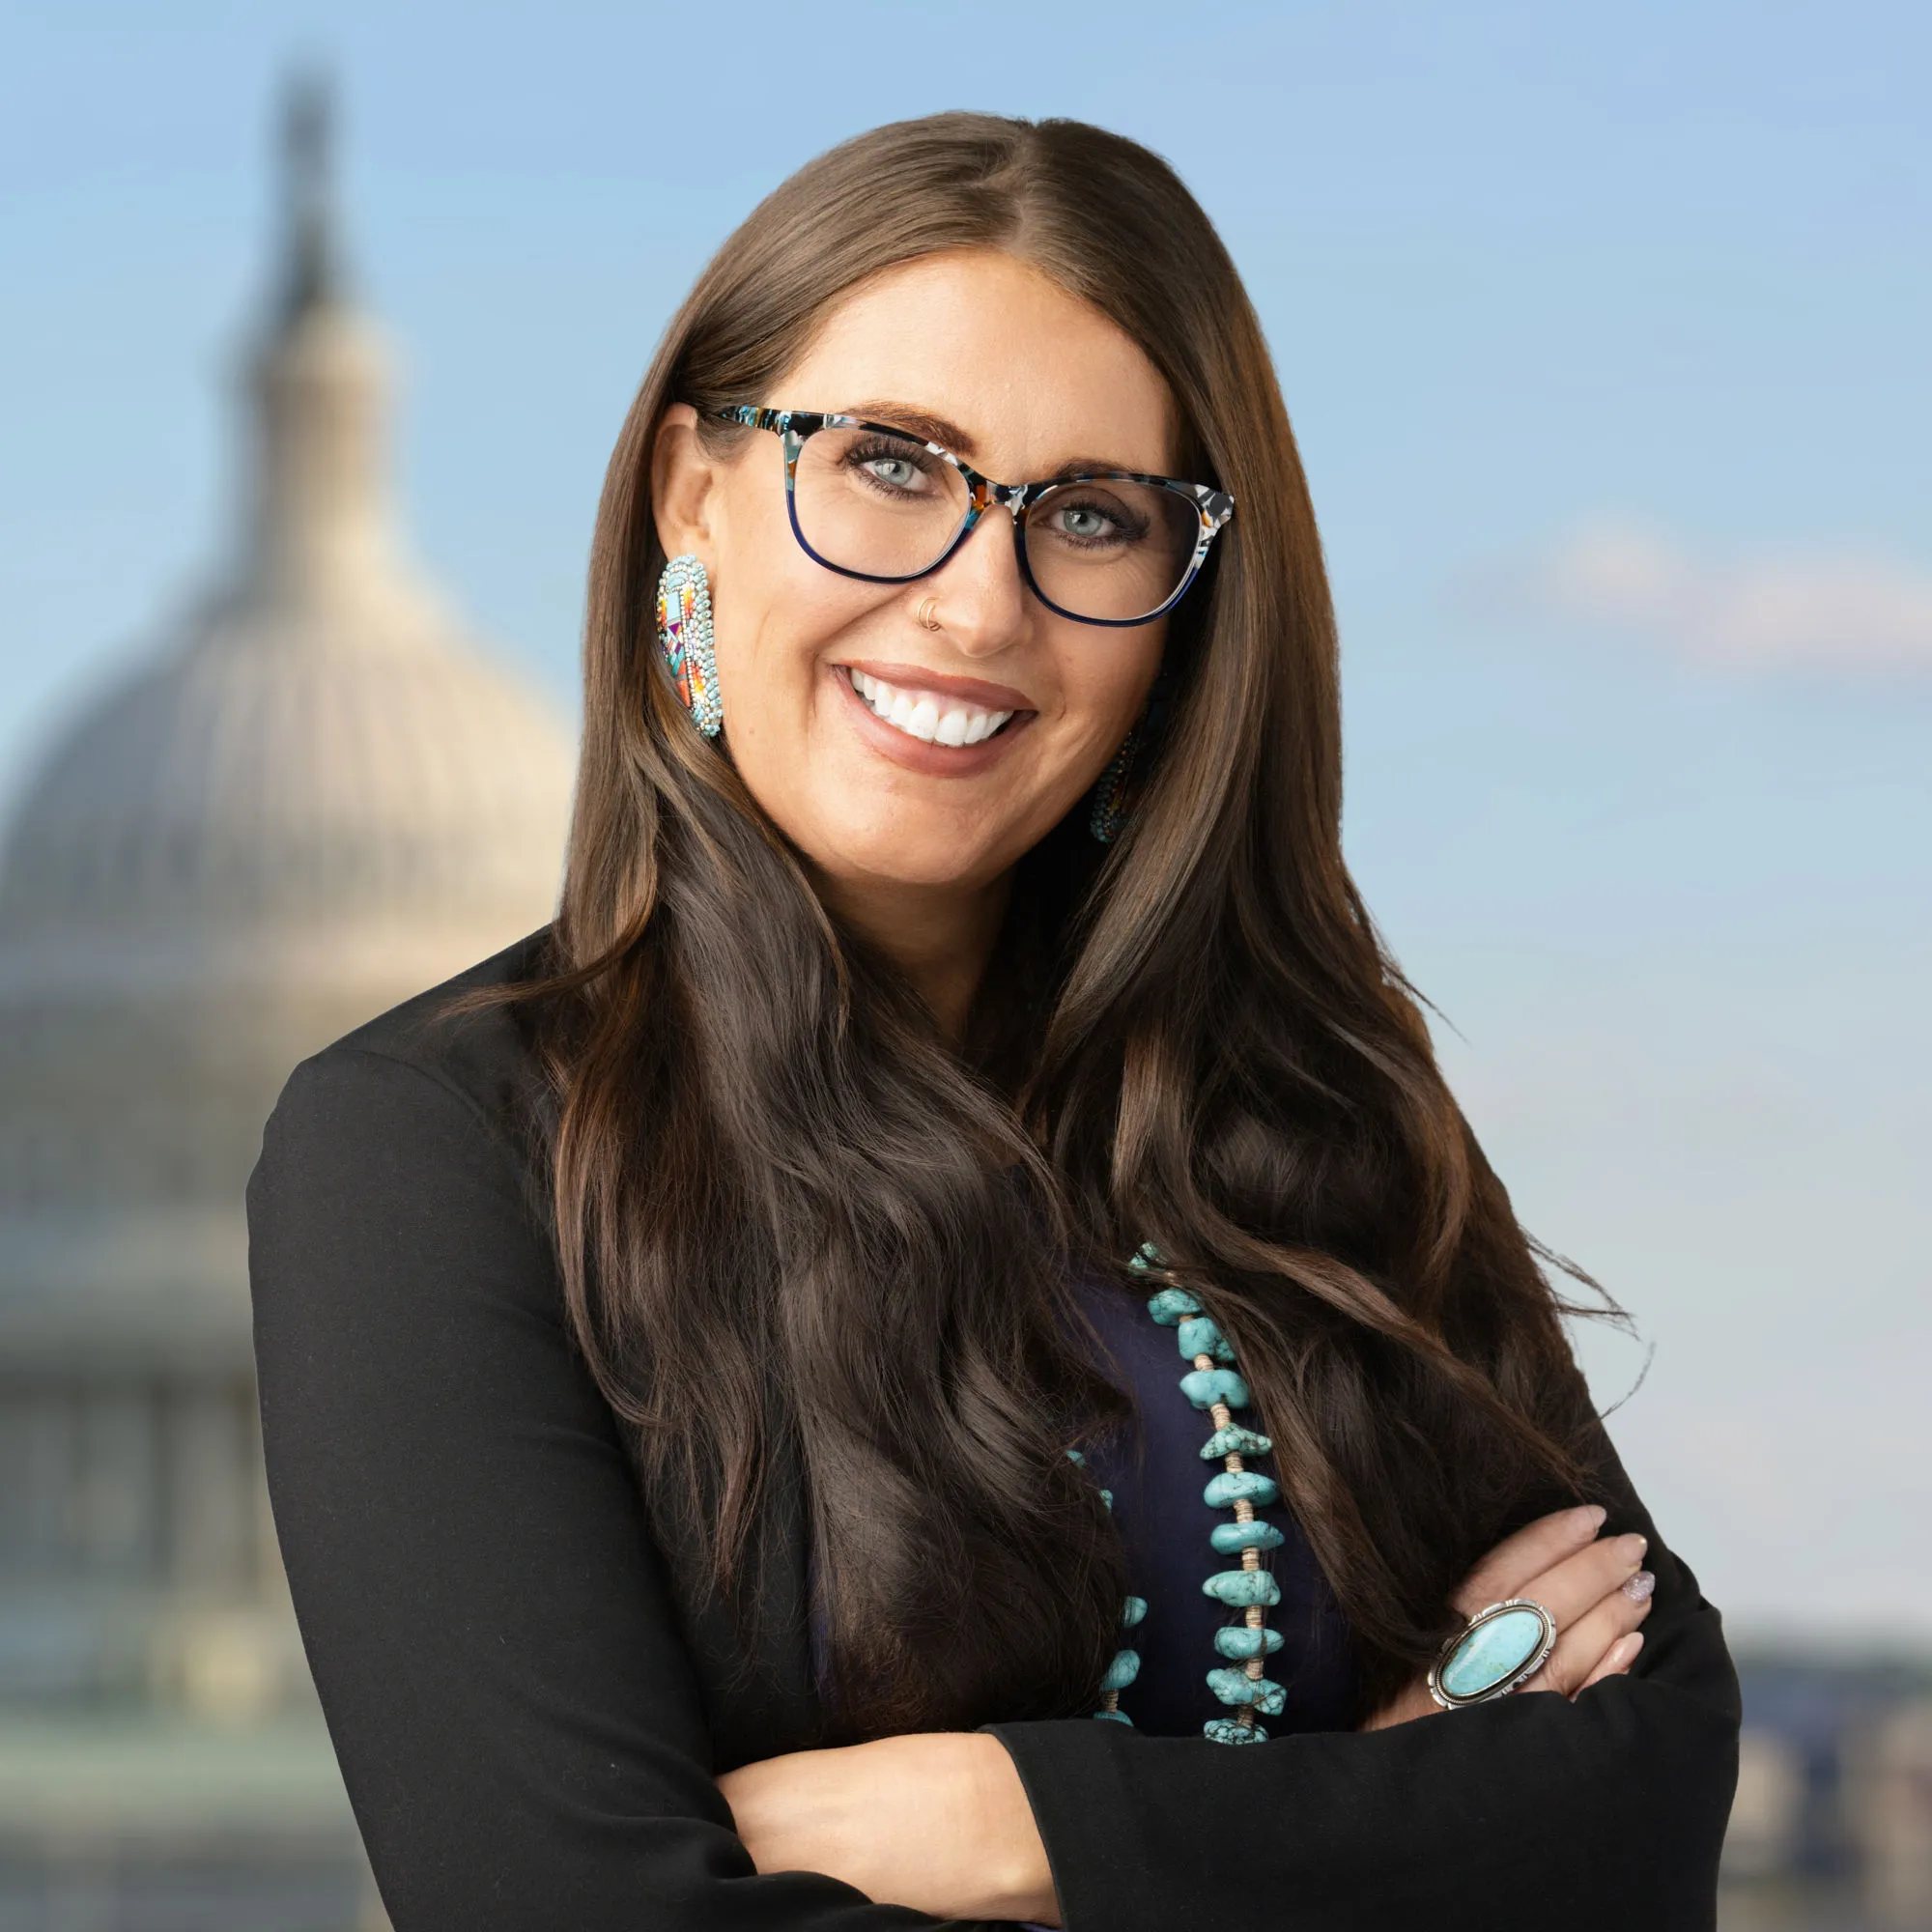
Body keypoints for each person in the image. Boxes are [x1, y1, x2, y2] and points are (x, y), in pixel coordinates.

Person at [247, 113, 1740, 1930]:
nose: (975, 605)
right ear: (692, 494)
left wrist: (1001, 1822)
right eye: (888, 465)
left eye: (1093, 517)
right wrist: (1398, 1805)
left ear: (1187, 612)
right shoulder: (432, 1149)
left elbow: (1652, 1794)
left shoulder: (1319, 1099)